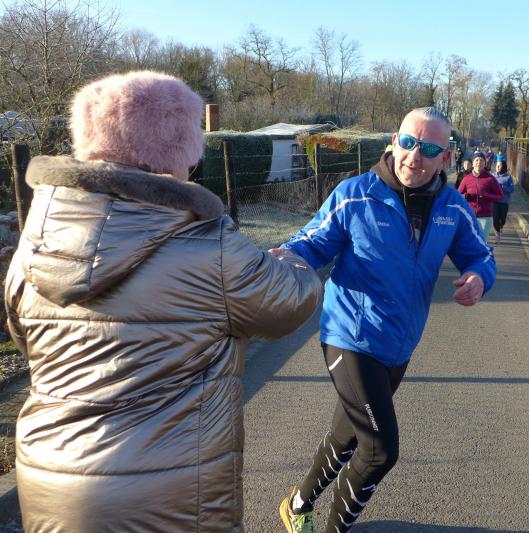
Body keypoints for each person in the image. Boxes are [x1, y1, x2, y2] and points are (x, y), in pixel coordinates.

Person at [4, 71, 322, 532]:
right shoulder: (208, 245)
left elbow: (24, 337)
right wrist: (293, 260)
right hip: (170, 486)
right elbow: (289, 304)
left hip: (51, 475)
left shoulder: (35, 244)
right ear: (177, 151)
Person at [274, 107, 496, 533]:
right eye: (408, 142)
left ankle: (297, 505)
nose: (415, 156)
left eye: (428, 148)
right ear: (394, 142)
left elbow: (480, 256)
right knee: (379, 451)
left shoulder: (452, 207)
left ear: (446, 157)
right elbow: (312, 243)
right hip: (350, 337)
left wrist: (477, 278)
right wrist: (285, 258)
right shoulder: (355, 194)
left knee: (346, 436)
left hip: (399, 345)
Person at [457, 151, 504, 239]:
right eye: (477, 160)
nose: (479, 162)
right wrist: (464, 196)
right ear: (473, 163)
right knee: (469, 241)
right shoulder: (467, 178)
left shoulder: (490, 179)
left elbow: (500, 195)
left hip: (485, 217)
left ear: (485, 163)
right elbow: (458, 195)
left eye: (481, 160)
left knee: (481, 242)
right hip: (469, 216)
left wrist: (487, 196)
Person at [491, 153, 515, 244]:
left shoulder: (508, 177)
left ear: (503, 166)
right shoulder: (493, 176)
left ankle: (500, 226)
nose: (498, 167)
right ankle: (497, 234)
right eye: (497, 165)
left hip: (504, 201)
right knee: (495, 218)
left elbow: (512, 189)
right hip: (494, 201)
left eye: (499, 165)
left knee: (503, 218)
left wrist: (502, 188)